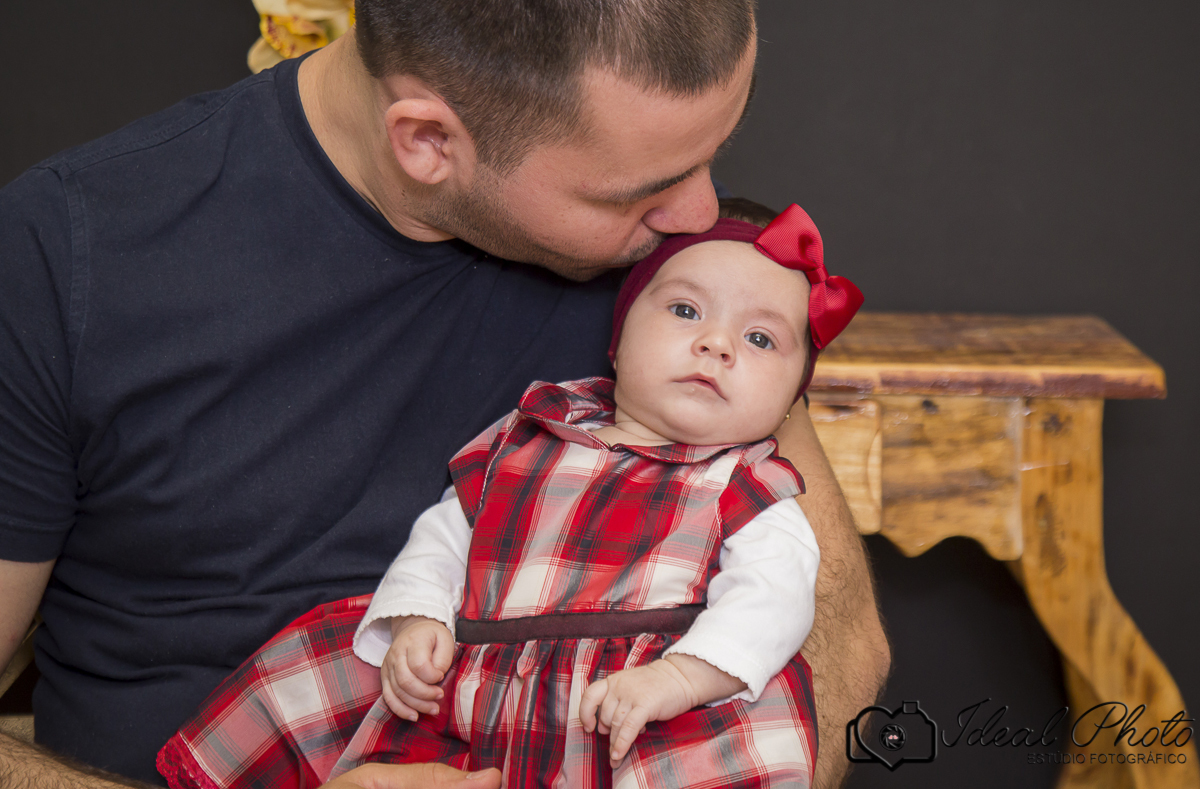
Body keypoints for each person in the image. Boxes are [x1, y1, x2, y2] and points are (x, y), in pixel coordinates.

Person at [0, 1, 890, 787]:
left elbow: (838, 646)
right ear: (428, 141)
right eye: (646, 188)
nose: (701, 217)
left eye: (711, 158)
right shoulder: (67, 254)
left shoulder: (684, 284)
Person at [156, 204, 861, 788]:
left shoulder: (749, 487)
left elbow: (773, 599)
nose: (716, 345)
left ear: (792, 398)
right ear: (616, 342)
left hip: (633, 712)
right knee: (359, 680)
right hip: (482, 691)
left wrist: (677, 677)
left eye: (761, 338)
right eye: (684, 309)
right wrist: (419, 615)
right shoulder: (528, 435)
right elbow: (446, 533)